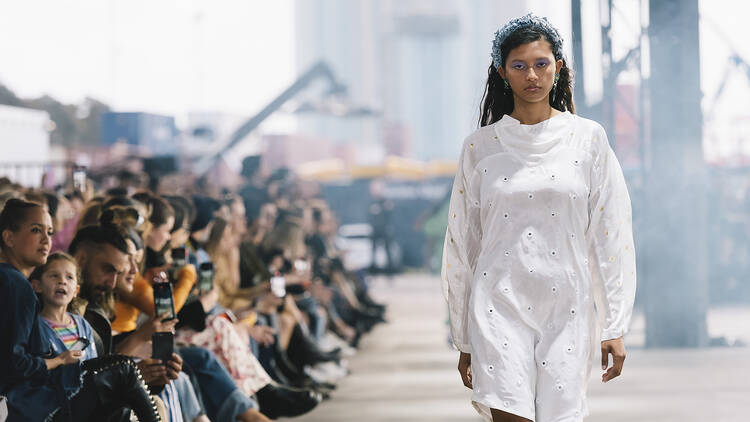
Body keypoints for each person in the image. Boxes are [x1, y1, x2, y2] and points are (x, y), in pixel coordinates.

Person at [442, 13, 636, 422]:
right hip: (497, 306)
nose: (532, 75)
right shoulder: (480, 147)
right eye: (519, 65)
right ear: (502, 72)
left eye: (541, 64)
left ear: (558, 68)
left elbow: (612, 235)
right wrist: (463, 337)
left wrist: (614, 325)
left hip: (567, 306)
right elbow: (463, 246)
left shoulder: (588, 138)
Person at [0, 199, 159, 421]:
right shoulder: (15, 284)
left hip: (29, 400)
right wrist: (57, 361)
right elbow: (13, 364)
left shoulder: (13, 281)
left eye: (50, 231)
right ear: (9, 237)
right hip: (32, 405)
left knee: (120, 411)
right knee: (123, 368)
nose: (47, 240)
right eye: (36, 230)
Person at [30, 252, 98, 362]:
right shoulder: (34, 327)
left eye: (69, 277)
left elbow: (93, 365)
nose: (62, 281)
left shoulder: (83, 325)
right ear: (37, 286)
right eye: (54, 275)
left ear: (76, 290)